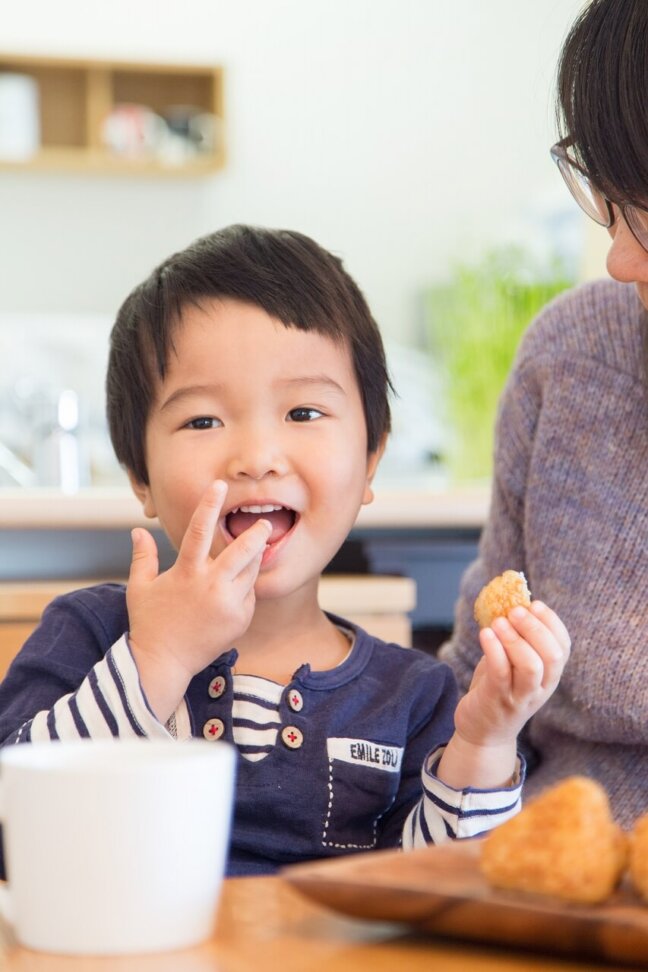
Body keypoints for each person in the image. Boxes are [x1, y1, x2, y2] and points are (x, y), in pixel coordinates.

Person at [0, 225, 569, 874]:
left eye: (303, 413)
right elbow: (14, 820)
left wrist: (486, 740)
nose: (259, 459)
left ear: (371, 458)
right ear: (139, 475)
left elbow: (442, 888)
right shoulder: (90, 636)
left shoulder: (416, 697)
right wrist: (157, 658)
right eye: (203, 420)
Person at [441, 0, 648, 829]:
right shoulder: (573, 359)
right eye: (613, 198)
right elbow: (470, 683)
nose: (618, 255)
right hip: (550, 893)